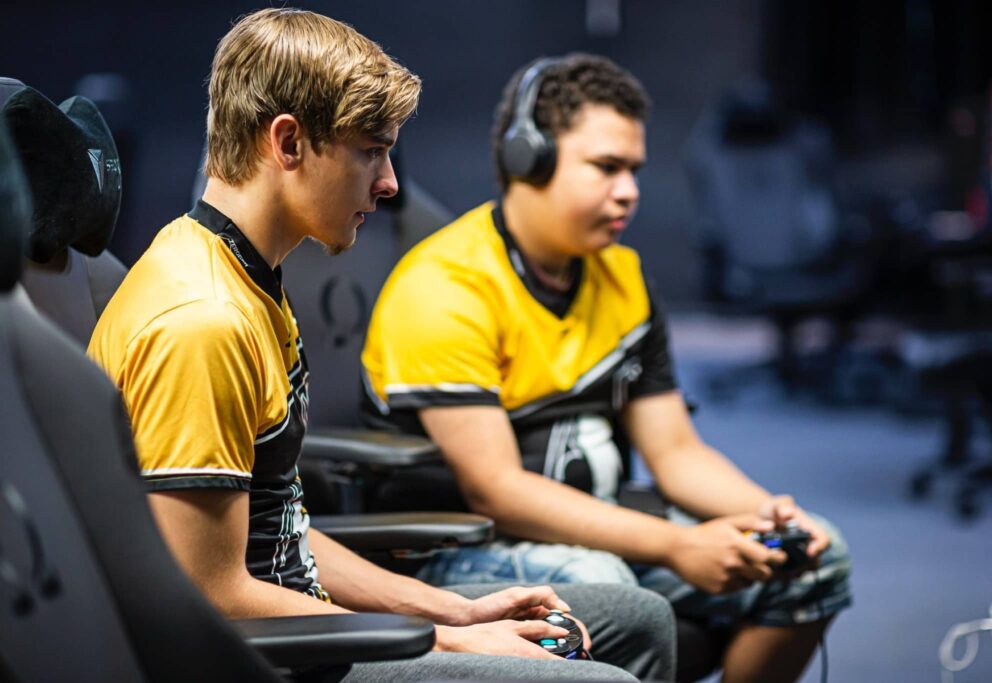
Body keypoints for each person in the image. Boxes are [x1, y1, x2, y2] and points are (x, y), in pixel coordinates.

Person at [88, 12, 675, 682]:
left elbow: (276, 531)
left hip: (305, 616)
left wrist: (449, 609)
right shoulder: (203, 321)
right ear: (288, 143)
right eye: (372, 149)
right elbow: (208, 590)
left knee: (640, 618)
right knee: (601, 677)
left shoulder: (244, 276)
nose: (391, 182)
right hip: (273, 660)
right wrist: (445, 642)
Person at [360, 53, 853, 683]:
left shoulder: (622, 276)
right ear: (526, 159)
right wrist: (680, 546)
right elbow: (498, 491)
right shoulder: (445, 287)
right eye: (606, 168)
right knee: (607, 587)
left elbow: (675, 452)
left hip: (601, 523)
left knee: (816, 555)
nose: (630, 191)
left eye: (634, 171)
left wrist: (770, 516)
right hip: (460, 551)